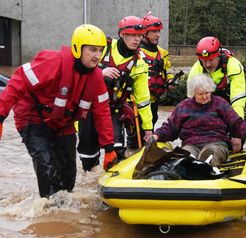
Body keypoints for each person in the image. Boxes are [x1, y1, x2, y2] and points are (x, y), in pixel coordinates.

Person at [0, 24, 117, 198]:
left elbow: (102, 113)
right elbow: (18, 82)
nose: (97, 56)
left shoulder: (97, 78)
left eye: (100, 51)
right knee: (46, 167)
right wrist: (1, 116)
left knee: (69, 177)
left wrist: (108, 148)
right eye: (92, 50)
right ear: (78, 48)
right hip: (33, 120)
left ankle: (63, 214)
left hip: (64, 124)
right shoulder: (53, 62)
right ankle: (48, 210)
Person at [77, 16, 153, 170]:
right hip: (88, 108)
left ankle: (114, 178)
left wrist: (148, 128)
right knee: (88, 156)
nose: (136, 39)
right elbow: (80, 70)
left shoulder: (140, 64)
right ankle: (90, 183)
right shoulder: (103, 48)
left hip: (113, 110)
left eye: (139, 36)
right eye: (132, 35)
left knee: (116, 149)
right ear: (122, 34)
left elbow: (143, 100)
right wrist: (101, 71)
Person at [152, 74, 246, 166]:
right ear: (193, 94)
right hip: (191, 144)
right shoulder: (183, 106)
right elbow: (170, 128)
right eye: (201, 94)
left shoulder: (220, 103)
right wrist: (156, 136)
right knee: (186, 157)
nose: (205, 97)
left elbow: (237, 124)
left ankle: (205, 168)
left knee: (209, 154)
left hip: (216, 144)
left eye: (207, 93)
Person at [188, 36, 246, 154]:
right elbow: (191, 103)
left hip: (231, 108)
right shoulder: (196, 69)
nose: (208, 64)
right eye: (204, 61)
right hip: (209, 109)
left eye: (211, 60)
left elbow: (238, 103)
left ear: (218, 55)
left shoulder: (234, 66)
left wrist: (237, 134)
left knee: (235, 144)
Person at [140, 13, 174, 126]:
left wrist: (170, 80)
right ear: (145, 33)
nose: (158, 35)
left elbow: (167, 71)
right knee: (137, 133)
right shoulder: (137, 52)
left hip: (154, 100)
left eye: (159, 31)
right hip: (137, 102)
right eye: (154, 32)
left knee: (152, 123)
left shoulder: (162, 53)